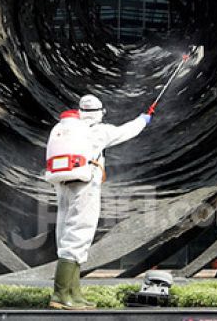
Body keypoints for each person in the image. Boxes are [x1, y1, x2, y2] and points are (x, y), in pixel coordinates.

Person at [43, 93, 151, 310]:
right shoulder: (100, 131)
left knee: (65, 235)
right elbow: (127, 131)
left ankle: (74, 293)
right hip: (85, 185)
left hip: (61, 184)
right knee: (79, 236)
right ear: (100, 112)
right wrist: (144, 118)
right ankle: (61, 294)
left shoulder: (66, 129)